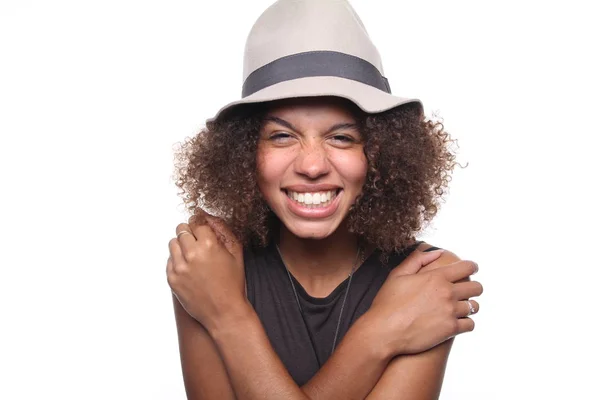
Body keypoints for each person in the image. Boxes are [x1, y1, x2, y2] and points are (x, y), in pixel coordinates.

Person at [167, 0, 483, 399]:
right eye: (282, 136)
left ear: (380, 153)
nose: (312, 166)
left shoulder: (428, 278)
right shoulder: (209, 263)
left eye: (342, 137)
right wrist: (378, 335)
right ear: (245, 152)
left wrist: (225, 315)